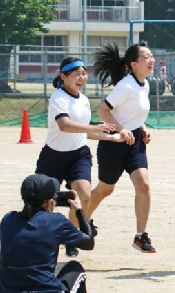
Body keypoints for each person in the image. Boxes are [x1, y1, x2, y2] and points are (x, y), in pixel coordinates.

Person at [35, 57, 121, 257]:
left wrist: (111, 137)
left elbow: (83, 133)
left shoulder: (83, 99)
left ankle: (70, 237)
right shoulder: (58, 97)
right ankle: (49, 239)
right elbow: (65, 125)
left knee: (84, 194)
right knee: (45, 202)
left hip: (78, 155)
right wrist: (94, 127)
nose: (82, 78)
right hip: (53, 156)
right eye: (76, 74)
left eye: (84, 74)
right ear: (63, 77)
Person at [88, 41, 156, 253]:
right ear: (134, 64)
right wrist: (121, 129)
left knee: (143, 185)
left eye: (151, 55)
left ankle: (140, 236)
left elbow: (133, 112)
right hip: (113, 142)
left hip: (134, 142)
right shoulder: (126, 86)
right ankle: (82, 219)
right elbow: (103, 111)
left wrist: (142, 128)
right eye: (146, 57)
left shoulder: (144, 84)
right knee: (105, 189)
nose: (151, 60)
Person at [0, 174, 94, 292]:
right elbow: (89, 243)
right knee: (75, 269)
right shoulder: (56, 221)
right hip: (46, 290)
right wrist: (79, 211)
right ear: (48, 201)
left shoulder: (8, 219)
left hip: (9, 290)